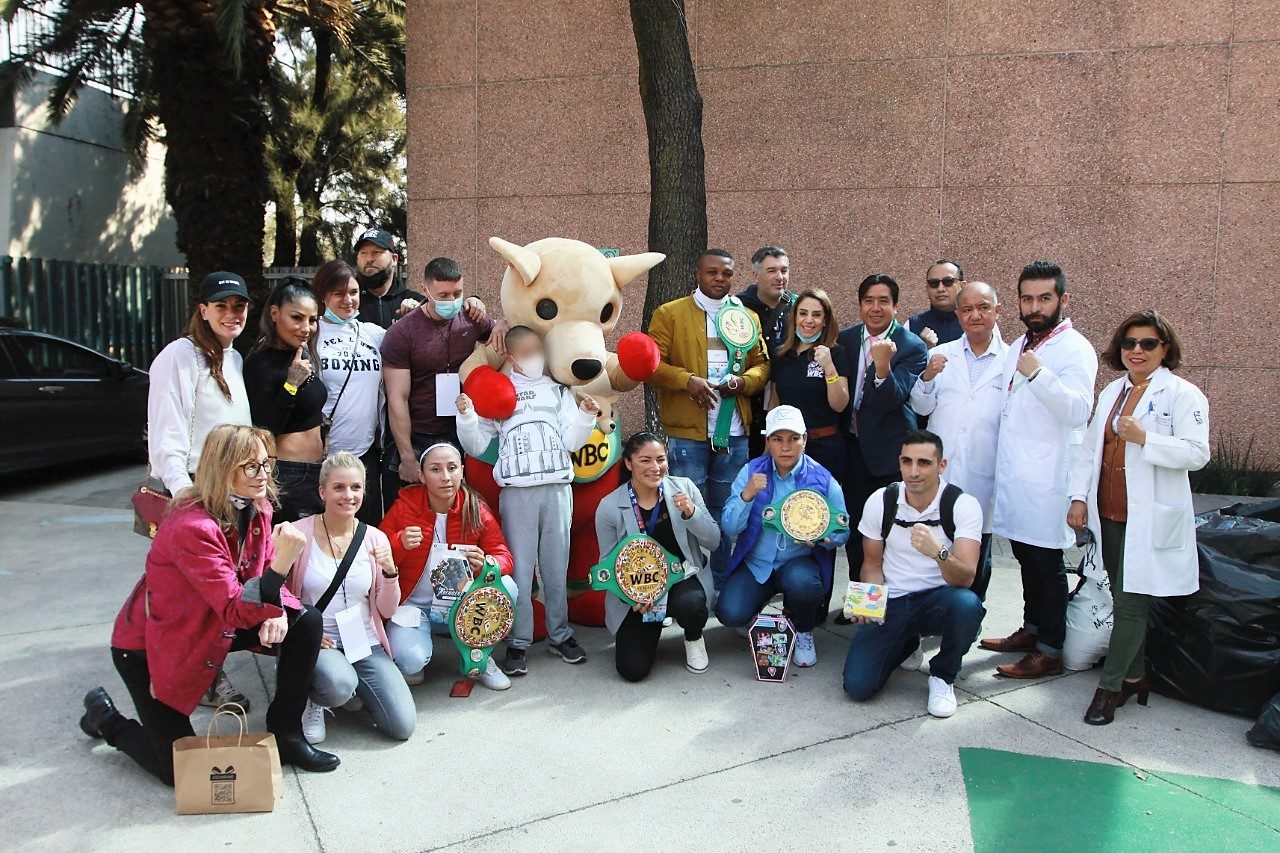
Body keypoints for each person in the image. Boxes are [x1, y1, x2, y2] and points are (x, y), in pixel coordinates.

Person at [78, 425, 339, 784]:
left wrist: (279, 608)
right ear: (222, 467)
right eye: (251, 466)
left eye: (266, 464)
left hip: (218, 625)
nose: (263, 475)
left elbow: (257, 571)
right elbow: (235, 603)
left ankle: (287, 735)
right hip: (156, 646)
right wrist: (282, 569)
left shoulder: (256, 505)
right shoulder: (192, 526)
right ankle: (105, 719)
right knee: (178, 774)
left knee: (305, 621)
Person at [1067, 312, 1209, 724]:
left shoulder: (1183, 395)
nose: (1136, 351)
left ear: (1165, 348)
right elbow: (1088, 449)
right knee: (1123, 595)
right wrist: (1078, 498)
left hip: (1147, 520)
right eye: (1129, 343)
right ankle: (1136, 676)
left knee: (1131, 604)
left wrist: (1147, 438)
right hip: (1109, 514)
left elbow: (1197, 453)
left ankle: (1108, 689)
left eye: (1148, 343)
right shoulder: (1113, 390)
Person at [456, 326, 600, 673]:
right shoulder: (500, 394)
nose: (536, 356)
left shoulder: (558, 391)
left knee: (555, 565)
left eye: (539, 349)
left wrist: (585, 416)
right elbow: (475, 444)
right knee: (519, 569)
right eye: (527, 350)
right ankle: (517, 641)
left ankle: (560, 634)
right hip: (517, 492)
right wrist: (467, 415)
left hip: (557, 489)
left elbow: (571, 441)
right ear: (511, 356)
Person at [982, 260, 1098, 679]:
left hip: (1047, 480)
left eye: (1044, 298)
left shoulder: (1074, 349)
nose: (1035, 306)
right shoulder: (1020, 343)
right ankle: (1031, 631)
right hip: (1017, 478)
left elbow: (1079, 410)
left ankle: (1049, 650)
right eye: (1027, 298)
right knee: (1025, 557)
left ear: (1062, 300)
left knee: (1046, 565)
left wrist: (1040, 376)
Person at [146, 270, 254, 710]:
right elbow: (167, 430)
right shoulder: (180, 356)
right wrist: (181, 492)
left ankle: (207, 671)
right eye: (221, 306)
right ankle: (195, 679)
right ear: (203, 310)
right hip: (195, 495)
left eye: (239, 306)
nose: (231, 314)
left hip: (231, 496)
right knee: (191, 599)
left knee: (218, 595)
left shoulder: (233, 357)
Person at [842, 430, 986, 717]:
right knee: (857, 687)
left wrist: (938, 552)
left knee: (967, 606)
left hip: (938, 599)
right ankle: (906, 642)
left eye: (924, 463)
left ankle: (943, 676)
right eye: (907, 462)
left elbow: (966, 578)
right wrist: (868, 604)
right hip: (894, 600)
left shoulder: (962, 505)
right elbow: (871, 563)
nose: (914, 471)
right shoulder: (881, 500)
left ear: (941, 465)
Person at [649, 249, 770, 588]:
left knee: (728, 512)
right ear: (697, 274)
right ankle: (691, 586)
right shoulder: (669, 313)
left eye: (726, 274)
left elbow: (762, 365)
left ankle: (720, 582)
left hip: (733, 433)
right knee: (688, 511)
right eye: (712, 272)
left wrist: (743, 383)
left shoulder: (746, 317)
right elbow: (652, 366)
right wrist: (686, 380)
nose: (720, 279)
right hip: (688, 433)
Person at [287, 452, 416, 744]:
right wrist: (302, 627)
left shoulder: (375, 538)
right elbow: (277, 592)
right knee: (339, 684)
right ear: (322, 491)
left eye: (356, 488)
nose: (349, 495)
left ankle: (352, 689)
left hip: (364, 640)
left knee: (402, 726)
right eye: (339, 488)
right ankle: (316, 697)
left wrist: (390, 572)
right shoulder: (297, 534)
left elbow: (386, 609)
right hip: (321, 640)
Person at [717, 406, 849, 667]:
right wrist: (747, 495)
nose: (786, 447)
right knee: (729, 612)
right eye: (778, 439)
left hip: (797, 564)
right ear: (768, 442)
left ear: (805, 440)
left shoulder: (823, 480)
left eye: (793, 439)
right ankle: (757, 615)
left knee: (803, 583)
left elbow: (843, 529)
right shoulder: (751, 472)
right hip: (757, 565)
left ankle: (803, 631)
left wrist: (824, 538)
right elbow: (729, 527)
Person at [378, 442, 516, 690]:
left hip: (461, 606)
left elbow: (503, 555)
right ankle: (412, 653)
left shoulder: (475, 508)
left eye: (452, 468)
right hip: (413, 607)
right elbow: (376, 554)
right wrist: (399, 543)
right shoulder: (403, 507)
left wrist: (486, 563)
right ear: (421, 476)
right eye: (435, 469)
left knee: (506, 586)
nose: (445, 477)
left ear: (462, 471)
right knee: (411, 663)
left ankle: (480, 657)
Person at [834, 273, 928, 623]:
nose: (876, 308)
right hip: (851, 448)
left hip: (889, 455)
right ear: (860, 305)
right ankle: (861, 603)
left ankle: (891, 606)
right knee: (858, 530)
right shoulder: (843, 340)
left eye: (883, 301)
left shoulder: (912, 346)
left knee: (888, 533)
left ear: (895, 306)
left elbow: (894, 398)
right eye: (869, 300)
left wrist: (883, 364)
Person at [909, 281, 1008, 599]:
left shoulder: (1012, 362)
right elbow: (921, 407)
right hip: (943, 469)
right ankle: (934, 611)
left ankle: (970, 613)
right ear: (958, 314)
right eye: (966, 309)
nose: (975, 315)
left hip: (985, 468)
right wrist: (926, 378)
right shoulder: (941, 355)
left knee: (977, 546)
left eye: (983, 307)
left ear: (997, 311)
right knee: (936, 542)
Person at [595, 432, 721, 681]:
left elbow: (714, 541)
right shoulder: (610, 506)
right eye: (645, 460)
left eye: (661, 459)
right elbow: (606, 565)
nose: (655, 467)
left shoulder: (684, 488)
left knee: (691, 604)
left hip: (681, 579)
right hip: (639, 592)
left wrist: (691, 513)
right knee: (632, 670)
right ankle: (651, 625)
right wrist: (631, 596)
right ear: (629, 464)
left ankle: (693, 637)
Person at [381, 256, 493, 509]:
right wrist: (407, 456)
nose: (452, 301)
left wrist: (500, 326)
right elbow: (397, 398)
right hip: (417, 434)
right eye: (443, 295)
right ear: (425, 290)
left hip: (460, 431)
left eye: (457, 293)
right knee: (411, 513)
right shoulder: (402, 333)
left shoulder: (471, 318)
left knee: (457, 513)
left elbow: (501, 336)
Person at [244, 280, 326, 523]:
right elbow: (264, 428)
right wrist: (291, 385)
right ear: (274, 313)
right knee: (287, 555)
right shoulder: (261, 363)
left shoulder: (302, 355)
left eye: (312, 320)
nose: (306, 327)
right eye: (297, 318)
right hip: (286, 475)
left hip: (315, 473)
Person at [314, 259, 389, 523]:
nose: (348, 300)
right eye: (339, 294)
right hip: (322, 454)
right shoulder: (312, 334)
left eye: (353, 293)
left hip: (365, 454)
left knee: (362, 531)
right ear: (324, 295)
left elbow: (413, 335)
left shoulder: (373, 334)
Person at [767, 288, 851, 479]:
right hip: (788, 449)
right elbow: (774, 403)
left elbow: (839, 404)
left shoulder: (836, 353)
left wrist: (829, 367)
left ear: (825, 321)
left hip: (825, 448)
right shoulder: (782, 355)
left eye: (816, 315)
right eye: (803, 313)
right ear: (794, 317)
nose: (809, 320)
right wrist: (769, 443)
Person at [739, 246, 795, 458]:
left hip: (785, 400)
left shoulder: (798, 307)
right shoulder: (737, 308)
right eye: (772, 271)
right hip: (746, 400)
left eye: (784, 270)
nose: (779, 277)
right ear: (755, 274)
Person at [352, 227, 422, 329]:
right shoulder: (348, 303)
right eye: (363, 253)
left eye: (376, 252)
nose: (369, 259)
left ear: (394, 259)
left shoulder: (415, 303)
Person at [908, 260, 965, 349]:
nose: (940, 289)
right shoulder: (912, 325)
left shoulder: (978, 322)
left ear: (962, 286)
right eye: (934, 283)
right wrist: (921, 348)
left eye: (948, 282)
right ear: (927, 289)